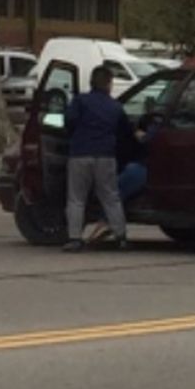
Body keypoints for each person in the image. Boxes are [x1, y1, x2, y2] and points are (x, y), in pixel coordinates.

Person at [61, 65, 133, 252]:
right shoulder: (115, 106)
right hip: (106, 155)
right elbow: (125, 133)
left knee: (76, 198)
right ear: (109, 83)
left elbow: (68, 122)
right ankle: (121, 236)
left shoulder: (80, 102)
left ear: (92, 82)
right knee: (111, 196)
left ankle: (75, 238)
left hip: (80, 154)